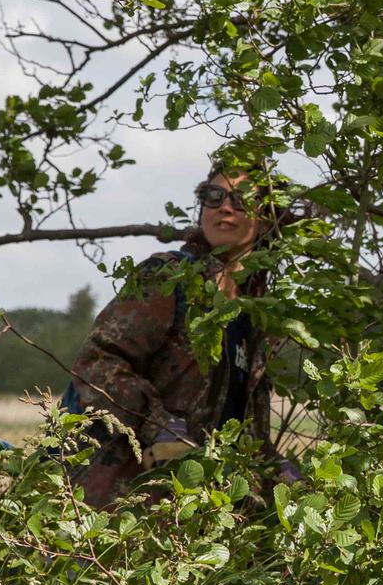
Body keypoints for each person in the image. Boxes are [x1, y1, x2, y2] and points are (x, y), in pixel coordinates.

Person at [60, 164, 282, 508]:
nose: (225, 207)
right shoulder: (170, 276)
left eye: (242, 200)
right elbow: (99, 364)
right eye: (215, 196)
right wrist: (159, 427)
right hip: (117, 500)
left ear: (266, 219)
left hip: (192, 509)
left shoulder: (255, 316)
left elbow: (240, 425)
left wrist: (277, 473)